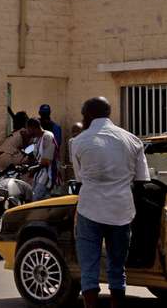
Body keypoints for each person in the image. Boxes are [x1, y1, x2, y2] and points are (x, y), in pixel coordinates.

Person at [71, 97, 150, 308]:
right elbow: (141, 180)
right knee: (117, 267)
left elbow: (80, 180)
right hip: (121, 211)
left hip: (89, 210)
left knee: (89, 267)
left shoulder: (78, 141)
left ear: (87, 115)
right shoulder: (133, 140)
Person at [26, 117, 60, 201]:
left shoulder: (47, 137)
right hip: (39, 175)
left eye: (29, 129)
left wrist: (32, 169)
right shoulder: (36, 139)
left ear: (34, 128)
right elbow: (33, 156)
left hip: (48, 175)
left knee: (36, 199)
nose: (28, 132)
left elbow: (46, 161)